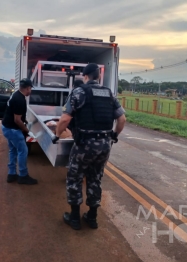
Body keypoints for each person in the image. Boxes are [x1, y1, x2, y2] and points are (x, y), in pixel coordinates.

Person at [52, 63, 126, 230]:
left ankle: (75, 218)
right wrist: (113, 135)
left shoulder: (79, 92)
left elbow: (65, 119)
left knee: (75, 178)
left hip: (85, 144)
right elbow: (122, 119)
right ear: (98, 76)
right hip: (105, 145)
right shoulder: (109, 94)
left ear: (84, 76)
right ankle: (92, 217)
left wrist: (56, 135)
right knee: (95, 178)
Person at [1, 78, 38, 185]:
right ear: (27, 88)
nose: (30, 91)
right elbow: (17, 120)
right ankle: (23, 175)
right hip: (12, 130)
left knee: (13, 150)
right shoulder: (19, 100)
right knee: (23, 151)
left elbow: (17, 115)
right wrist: (27, 131)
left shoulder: (16, 94)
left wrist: (25, 120)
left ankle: (11, 174)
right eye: (30, 88)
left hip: (6, 127)